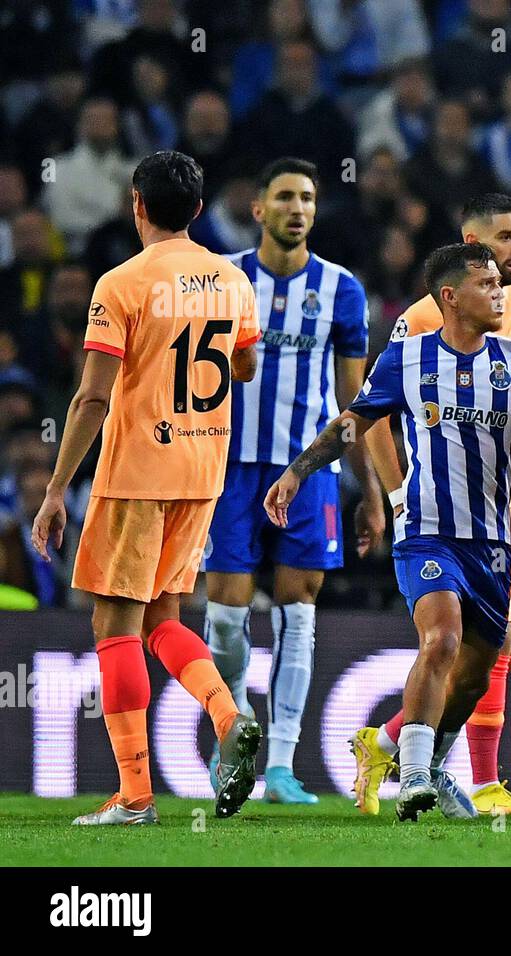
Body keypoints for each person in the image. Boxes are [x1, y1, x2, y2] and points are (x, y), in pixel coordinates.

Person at [264, 242, 511, 822]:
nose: (500, 292)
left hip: (493, 541)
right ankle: (412, 780)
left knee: (475, 677)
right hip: (426, 532)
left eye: (499, 284)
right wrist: (298, 472)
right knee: (443, 640)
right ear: (451, 297)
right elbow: (354, 424)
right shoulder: (405, 358)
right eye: (486, 284)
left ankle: (427, 765)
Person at [30, 150, 263, 825]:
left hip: (137, 472)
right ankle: (226, 715)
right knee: (163, 619)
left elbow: (91, 400)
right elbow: (243, 365)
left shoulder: (121, 283)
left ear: (137, 205)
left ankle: (135, 795)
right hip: (203, 472)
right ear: (196, 209)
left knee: (114, 624)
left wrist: (54, 490)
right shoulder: (232, 279)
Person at [350, 194, 511, 817]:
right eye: (505, 238)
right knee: (452, 644)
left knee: (504, 643)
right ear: (470, 241)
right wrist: (400, 491)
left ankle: (385, 743)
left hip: (509, 493)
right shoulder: (423, 317)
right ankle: (481, 781)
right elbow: (374, 416)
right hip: (444, 503)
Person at [202, 157, 384, 804]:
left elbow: (354, 400)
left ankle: (278, 765)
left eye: (307, 197)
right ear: (259, 209)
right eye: (284, 196)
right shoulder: (222, 278)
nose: (297, 207)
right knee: (224, 615)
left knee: (297, 613)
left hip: (311, 474)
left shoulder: (341, 289)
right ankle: (235, 737)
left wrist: (367, 491)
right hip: (227, 469)